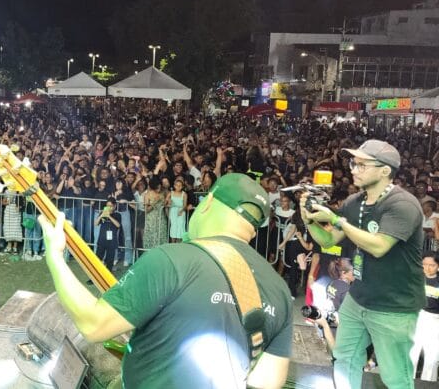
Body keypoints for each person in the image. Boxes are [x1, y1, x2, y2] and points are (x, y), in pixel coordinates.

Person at [39, 173, 292, 388]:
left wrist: (55, 257)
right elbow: (267, 381)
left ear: (208, 202)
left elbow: (93, 324)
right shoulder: (280, 289)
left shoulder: (170, 260)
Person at [301, 139, 424, 389]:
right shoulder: (355, 202)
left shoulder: (403, 205)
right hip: (358, 298)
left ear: (385, 170)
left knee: (394, 376)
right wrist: (309, 219)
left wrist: (336, 219)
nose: (354, 169)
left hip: (394, 307)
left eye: (361, 165)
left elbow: (379, 246)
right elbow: (327, 241)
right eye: (353, 163)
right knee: (344, 359)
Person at [409, 251, 439, 382]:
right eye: (424, 264)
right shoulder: (416, 277)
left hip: (435, 321)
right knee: (412, 355)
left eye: (431, 265)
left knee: (432, 359)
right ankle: (408, 383)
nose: (427, 268)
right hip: (417, 317)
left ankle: (428, 384)